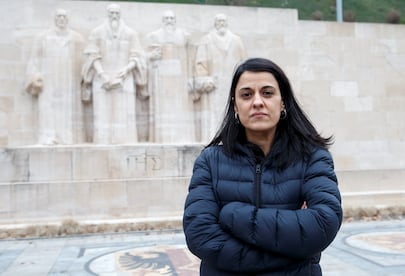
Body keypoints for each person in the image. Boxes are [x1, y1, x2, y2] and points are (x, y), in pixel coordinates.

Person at [183, 57, 342, 275]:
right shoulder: (210, 161)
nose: (257, 101)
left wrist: (231, 214)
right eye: (246, 95)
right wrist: (295, 253)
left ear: (283, 101)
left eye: (267, 93)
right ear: (235, 106)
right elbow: (201, 235)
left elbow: (323, 224)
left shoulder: (312, 157)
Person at [81, 3, 147, 144]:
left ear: (120, 14)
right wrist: (102, 74)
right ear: (107, 14)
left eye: (117, 12)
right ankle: (102, 141)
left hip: (125, 78)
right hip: (101, 78)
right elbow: (92, 55)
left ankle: (126, 140)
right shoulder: (97, 32)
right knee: (102, 113)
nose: (114, 15)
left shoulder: (131, 33)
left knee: (125, 114)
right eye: (111, 12)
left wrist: (125, 71)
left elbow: (136, 56)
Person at [25, 9, 85, 145]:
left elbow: (82, 61)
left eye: (64, 16)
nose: (61, 19)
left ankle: (66, 137)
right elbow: (34, 60)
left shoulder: (76, 38)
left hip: (68, 81)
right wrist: (34, 77)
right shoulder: (42, 37)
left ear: (67, 19)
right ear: (54, 19)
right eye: (59, 16)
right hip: (48, 80)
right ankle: (48, 137)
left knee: (66, 109)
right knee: (47, 108)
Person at [193, 13, 247, 142]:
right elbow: (200, 63)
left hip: (233, 84)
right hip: (214, 84)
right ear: (215, 23)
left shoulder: (236, 40)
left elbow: (244, 62)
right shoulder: (206, 40)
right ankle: (213, 139)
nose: (221, 23)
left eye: (223, 21)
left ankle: (235, 139)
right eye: (219, 21)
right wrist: (205, 79)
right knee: (213, 115)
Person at [145, 10, 194, 143]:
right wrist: (152, 57)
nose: (169, 21)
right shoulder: (154, 36)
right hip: (160, 78)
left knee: (181, 109)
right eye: (166, 18)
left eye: (171, 18)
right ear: (163, 20)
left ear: (175, 20)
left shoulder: (184, 36)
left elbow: (190, 59)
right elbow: (147, 57)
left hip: (180, 78)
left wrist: (190, 78)